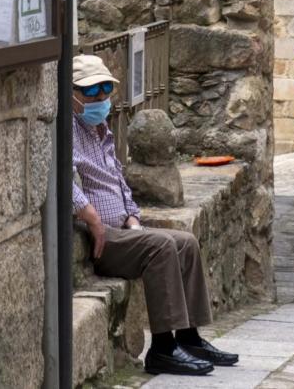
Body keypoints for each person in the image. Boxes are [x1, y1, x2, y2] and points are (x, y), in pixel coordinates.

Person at [71, 54, 238, 377]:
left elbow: (118, 181)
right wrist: (90, 215)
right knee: (160, 247)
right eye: (91, 92)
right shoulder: (68, 130)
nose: (100, 98)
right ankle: (162, 348)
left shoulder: (100, 129)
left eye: (105, 90)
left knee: (185, 242)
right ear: (73, 94)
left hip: (121, 227)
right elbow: (60, 176)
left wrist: (133, 218)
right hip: (97, 235)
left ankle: (189, 338)